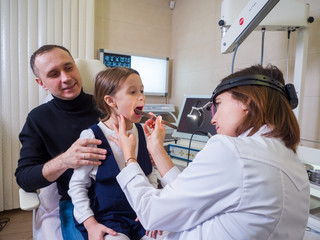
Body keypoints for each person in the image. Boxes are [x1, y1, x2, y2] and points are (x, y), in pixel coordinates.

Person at [112, 64, 310, 240]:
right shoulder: (291, 161)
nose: (213, 119)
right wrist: (156, 149)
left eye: (219, 104)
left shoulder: (232, 150)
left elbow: (152, 213)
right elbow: (191, 196)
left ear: (247, 102)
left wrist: (129, 156)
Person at [15, 45, 107, 239]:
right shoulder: (38, 119)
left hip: (117, 193)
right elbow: (24, 178)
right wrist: (65, 160)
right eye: (54, 74)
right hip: (77, 201)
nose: (65, 78)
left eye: (68, 67)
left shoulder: (107, 106)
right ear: (42, 83)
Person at [68, 67, 165, 240]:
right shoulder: (92, 136)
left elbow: (150, 176)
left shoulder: (143, 132)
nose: (141, 97)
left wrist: (152, 212)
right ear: (111, 101)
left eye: (142, 91)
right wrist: (91, 224)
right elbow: (77, 186)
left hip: (140, 213)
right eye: (133, 92)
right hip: (108, 217)